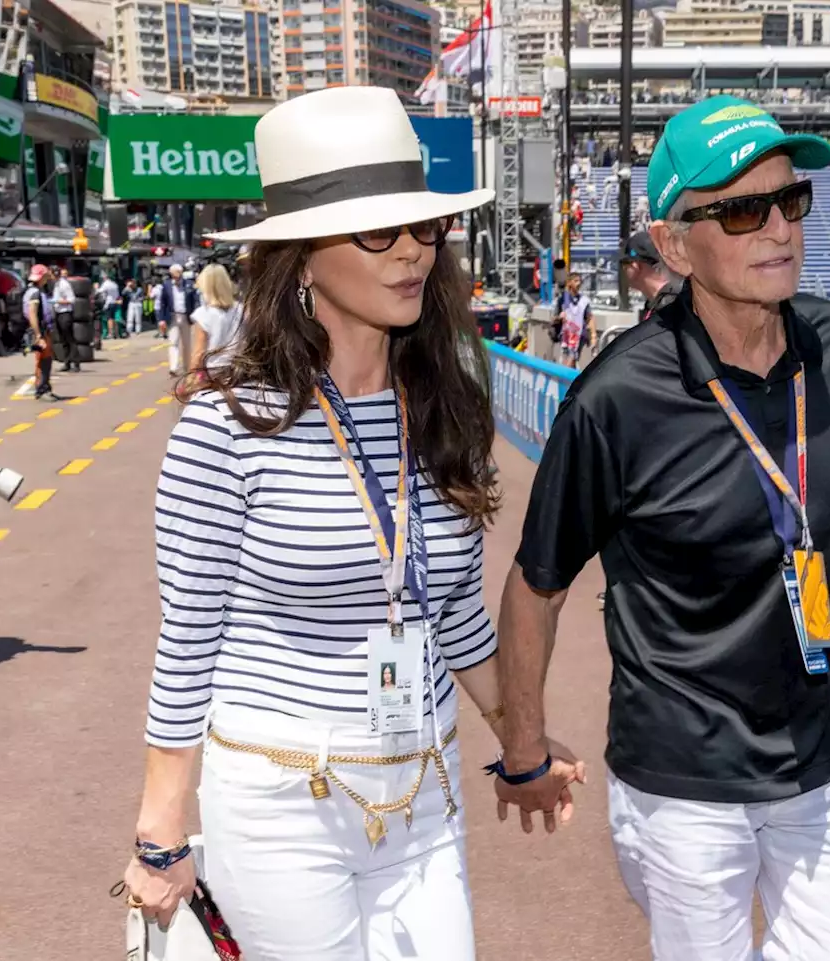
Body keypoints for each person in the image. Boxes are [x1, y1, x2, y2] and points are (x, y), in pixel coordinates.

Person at [122, 86, 578, 960]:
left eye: (424, 229)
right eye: (379, 231)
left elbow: (453, 616)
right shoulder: (224, 427)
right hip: (279, 798)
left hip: (426, 786)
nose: (411, 252)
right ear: (299, 257)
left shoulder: (449, 403)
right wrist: (159, 831)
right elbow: (189, 640)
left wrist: (521, 741)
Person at [494, 95, 830, 961]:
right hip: (684, 788)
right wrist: (523, 744)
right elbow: (538, 586)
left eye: (789, 200)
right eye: (743, 210)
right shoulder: (615, 398)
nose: (779, 229)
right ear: (675, 245)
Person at [186, 264, 243, 380]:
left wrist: (190, 378)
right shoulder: (241, 309)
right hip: (239, 370)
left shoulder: (203, 314)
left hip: (213, 373)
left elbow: (199, 353)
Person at [620, 230, 681, 323]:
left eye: (624, 264)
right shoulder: (655, 303)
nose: (623, 270)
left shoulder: (672, 305)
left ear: (635, 266)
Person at [22, 264, 59, 402]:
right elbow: (32, 314)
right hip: (41, 331)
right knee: (43, 361)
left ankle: (44, 387)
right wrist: (38, 335)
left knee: (45, 359)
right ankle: (42, 389)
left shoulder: (36, 291)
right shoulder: (34, 293)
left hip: (44, 330)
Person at [156, 263, 198, 376]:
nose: (176, 275)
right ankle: (173, 367)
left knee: (186, 343)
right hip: (173, 316)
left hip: (186, 316)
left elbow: (195, 302)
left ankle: (187, 367)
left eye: (178, 273)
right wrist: (161, 319)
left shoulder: (189, 284)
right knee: (173, 342)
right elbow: (163, 303)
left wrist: (196, 316)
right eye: (174, 273)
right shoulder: (167, 285)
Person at [555, 272, 594, 368]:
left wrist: (593, 336)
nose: (579, 283)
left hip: (579, 336)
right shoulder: (562, 300)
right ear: (569, 283)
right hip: (566, 336)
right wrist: (559, 317)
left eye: (580, 281)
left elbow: (590, 317)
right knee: (568, 361)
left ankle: (568, 379)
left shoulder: (584, 300)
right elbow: (553, 318)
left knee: (572, 359)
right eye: (576, 281)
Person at [52, 266, 80, 373]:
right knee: (63, 340)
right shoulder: (57, 284)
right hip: (59, 312)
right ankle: (67, 362)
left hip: (65, 313)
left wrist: (59, 301)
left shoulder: (64, 284)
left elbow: (71, 299)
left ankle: (76, 363)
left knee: (70, 339)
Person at [99, 273, 121, 340]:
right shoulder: (114, 284)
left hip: (108, 303)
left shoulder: (105, 284)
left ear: (105, 278)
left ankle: (110, 333)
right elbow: (117, 295)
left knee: (109, 319)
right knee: (115, 318)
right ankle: (116, 333)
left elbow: (100, 291)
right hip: (115, 302)